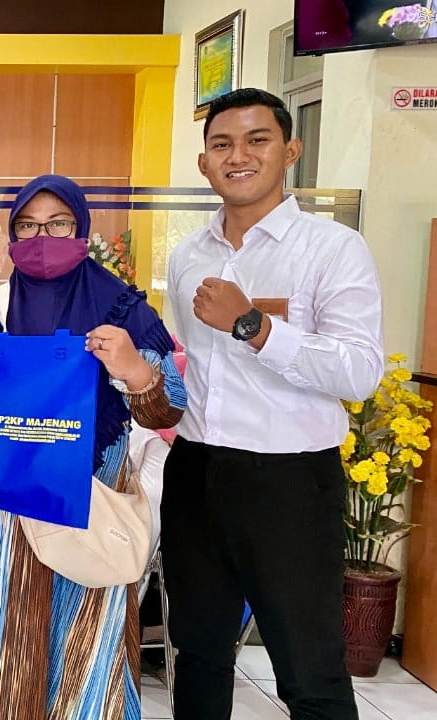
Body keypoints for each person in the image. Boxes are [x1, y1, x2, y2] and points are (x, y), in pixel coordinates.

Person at [0, 173, 186, 718]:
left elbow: (168, 410)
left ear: (81, 229)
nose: (42, 237)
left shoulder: (123, 311)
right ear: (12, 234)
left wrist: (135, 370)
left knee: (82, 651)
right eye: (28, 226)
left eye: (58, 224)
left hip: (84, 508)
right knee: (0, 647)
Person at [162, 88, 382, 720]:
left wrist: (254, 326)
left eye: (257, 140)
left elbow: (360, 371)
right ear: (204, 162)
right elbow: (188, 366)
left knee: (309, 667)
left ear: (290, 151)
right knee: (197, 653)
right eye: (222, 144)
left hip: (289, 483)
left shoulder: (332, 249)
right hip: (196, 472)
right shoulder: (188, 255)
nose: (238, 156)